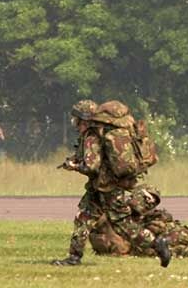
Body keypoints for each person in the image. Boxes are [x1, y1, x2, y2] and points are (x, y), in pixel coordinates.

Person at [53, 99, 171, 268]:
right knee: (84, 217)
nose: (76, 125)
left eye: (76, 120)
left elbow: (92, 166)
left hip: (107, 188)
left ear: (84, 120)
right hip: (101, 187)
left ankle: (157, 243)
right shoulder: (102, 133)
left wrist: (74, 166)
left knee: (123, 224)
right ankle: (74, 256)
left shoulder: (92, 136)